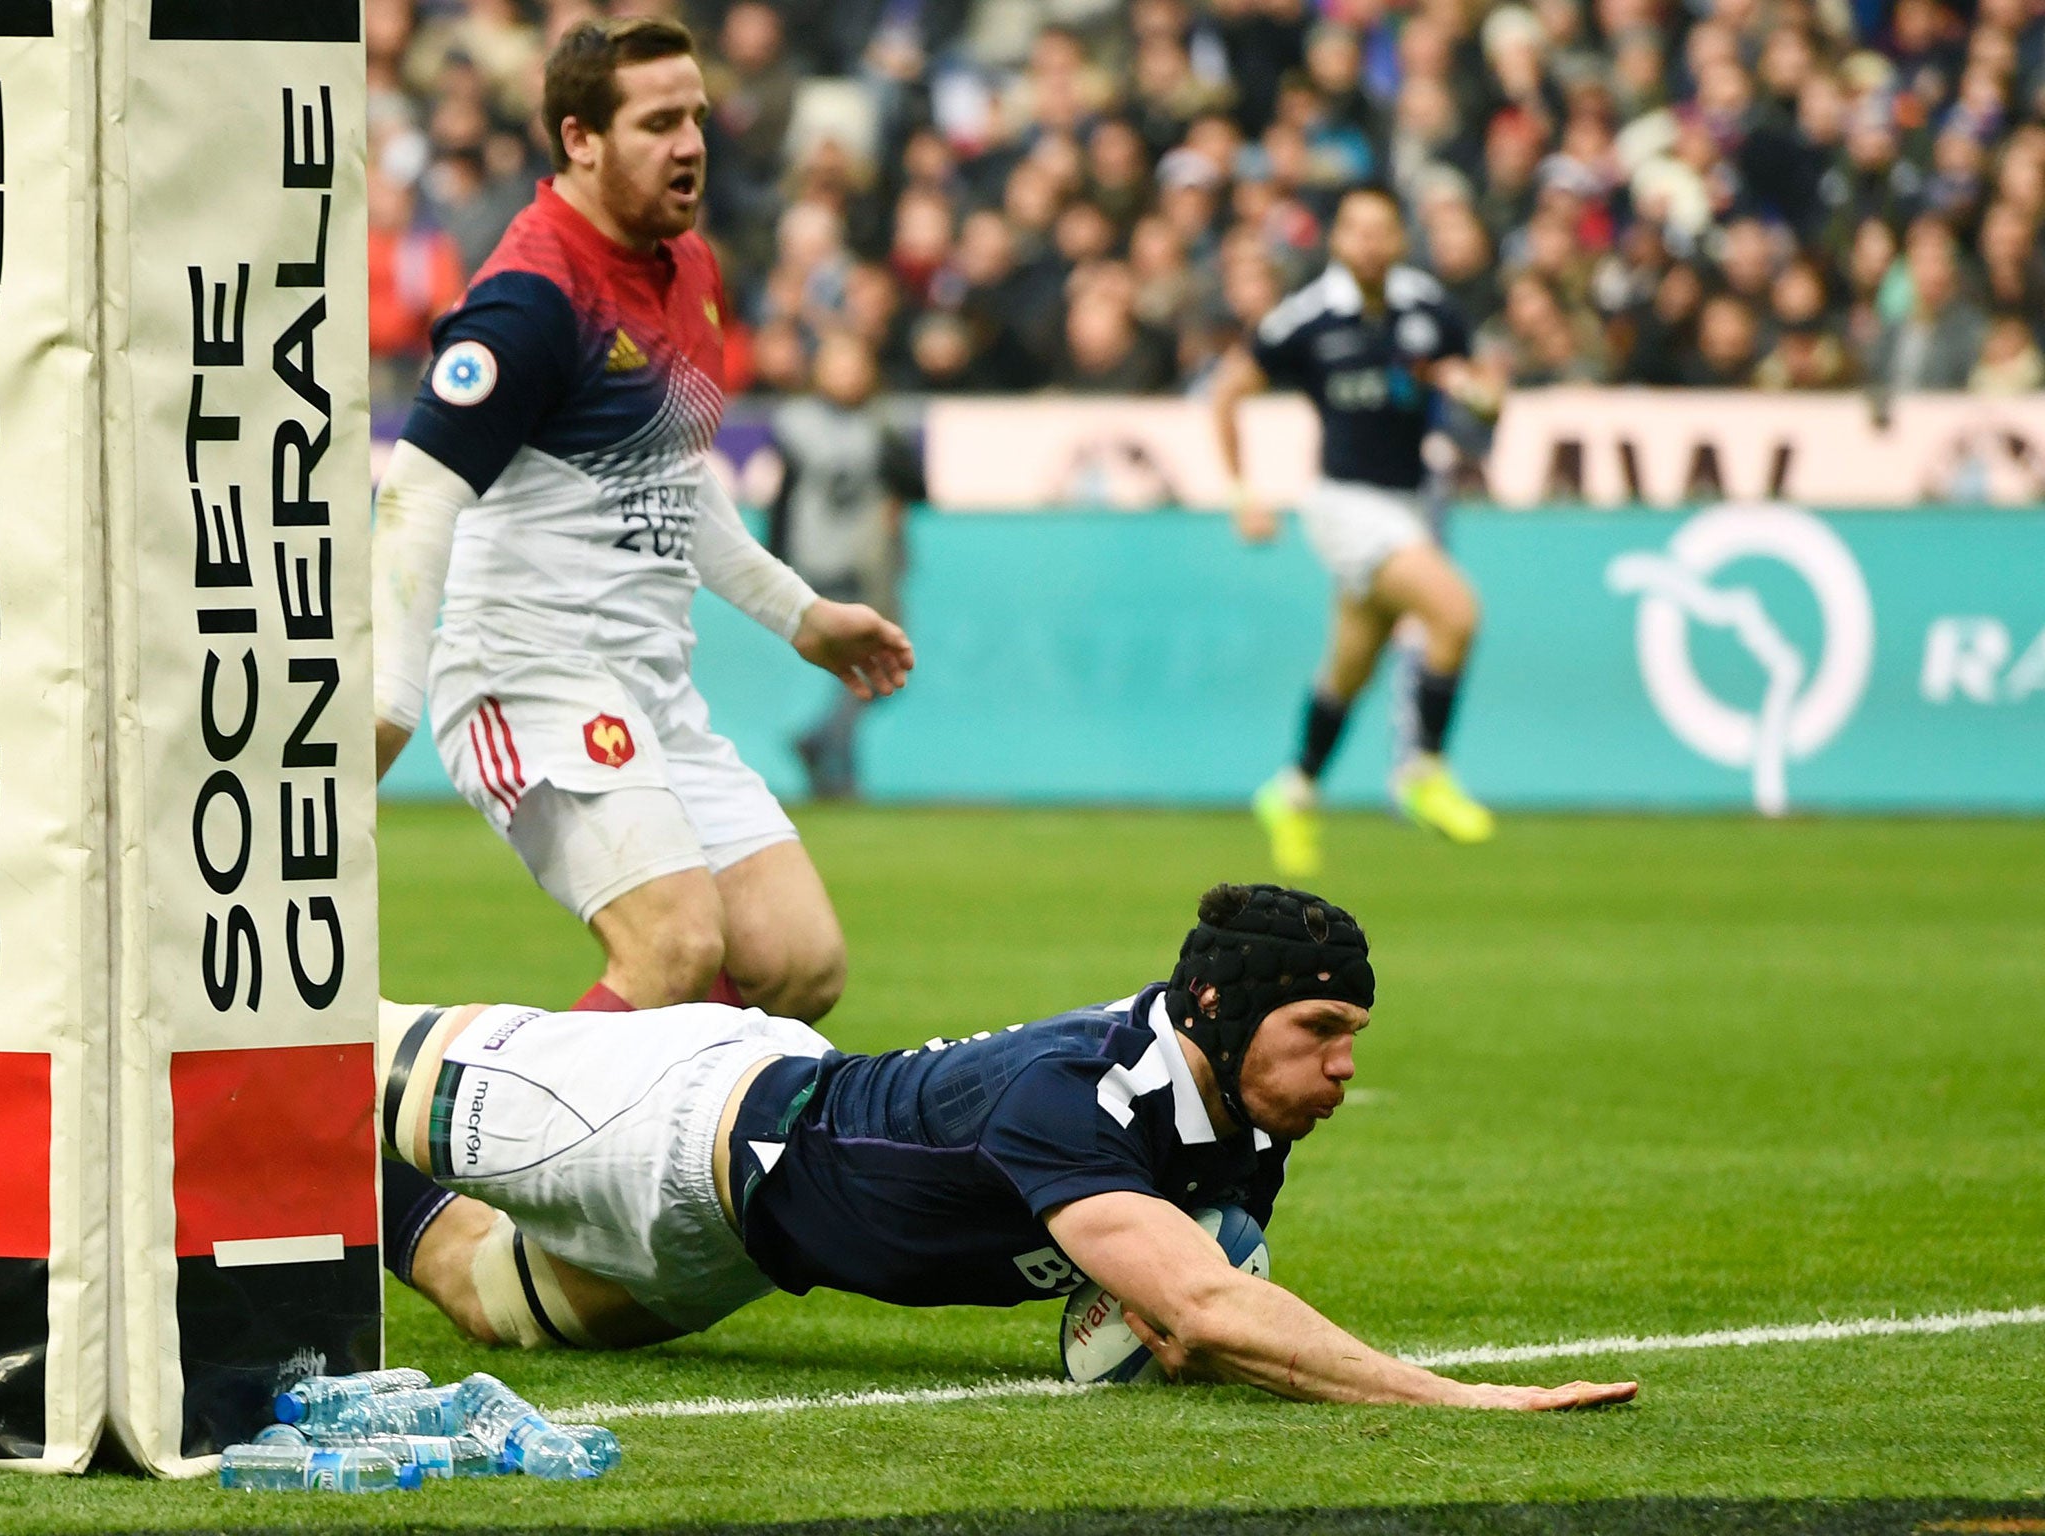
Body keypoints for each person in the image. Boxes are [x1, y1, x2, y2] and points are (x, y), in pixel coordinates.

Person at [375, 883, 1638, 1412]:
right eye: (1319, 1030)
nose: (1343, 1066)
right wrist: (1466, 1400)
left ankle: (301, 1180)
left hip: (743, 1247)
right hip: (664, 1117)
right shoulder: (1072, 1094)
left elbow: (1178, 1324)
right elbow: (1198, 1305)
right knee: (329, 1051)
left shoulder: (1244, 1125)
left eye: (1353, 1033)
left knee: (488, 1301)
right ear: (1222, 1011)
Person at [370, 18, 914, 1021]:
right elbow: (416, 493)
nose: (691, 143)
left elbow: (674, 479)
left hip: (651, 687)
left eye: (696, 117)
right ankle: (484, 1151)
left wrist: (799, 614)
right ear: (580, 138)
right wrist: (390, 700)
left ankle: (634, 1159)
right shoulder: (531, 298)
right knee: (671, 943)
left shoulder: (691, 271)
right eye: (659, 122)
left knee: (797, 964)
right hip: (524, 673)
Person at [1210, 186, 1504, 874]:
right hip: (1345, 505)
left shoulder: (1429, 306)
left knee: (1350, 666)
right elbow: (1228, 393)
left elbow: (1486, 394)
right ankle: (1422, 770)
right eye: (1357, 230)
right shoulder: (1307, 319)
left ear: (1400, 238)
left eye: (1383, 230)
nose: (1370, 243)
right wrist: (1243, 494)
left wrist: (1476, 393)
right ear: (1337, 240)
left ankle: (1293, 788)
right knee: (1456, 613)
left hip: (1410, 498)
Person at [767, 331, 925, 800]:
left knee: (885, 663)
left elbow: (917, 487)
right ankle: (830, 747)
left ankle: (827, 743)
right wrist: (776, 563)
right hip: (819, 557)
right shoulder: (798, 422)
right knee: (866, 663)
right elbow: (784, 496)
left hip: (873, 559)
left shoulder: (885, 420)